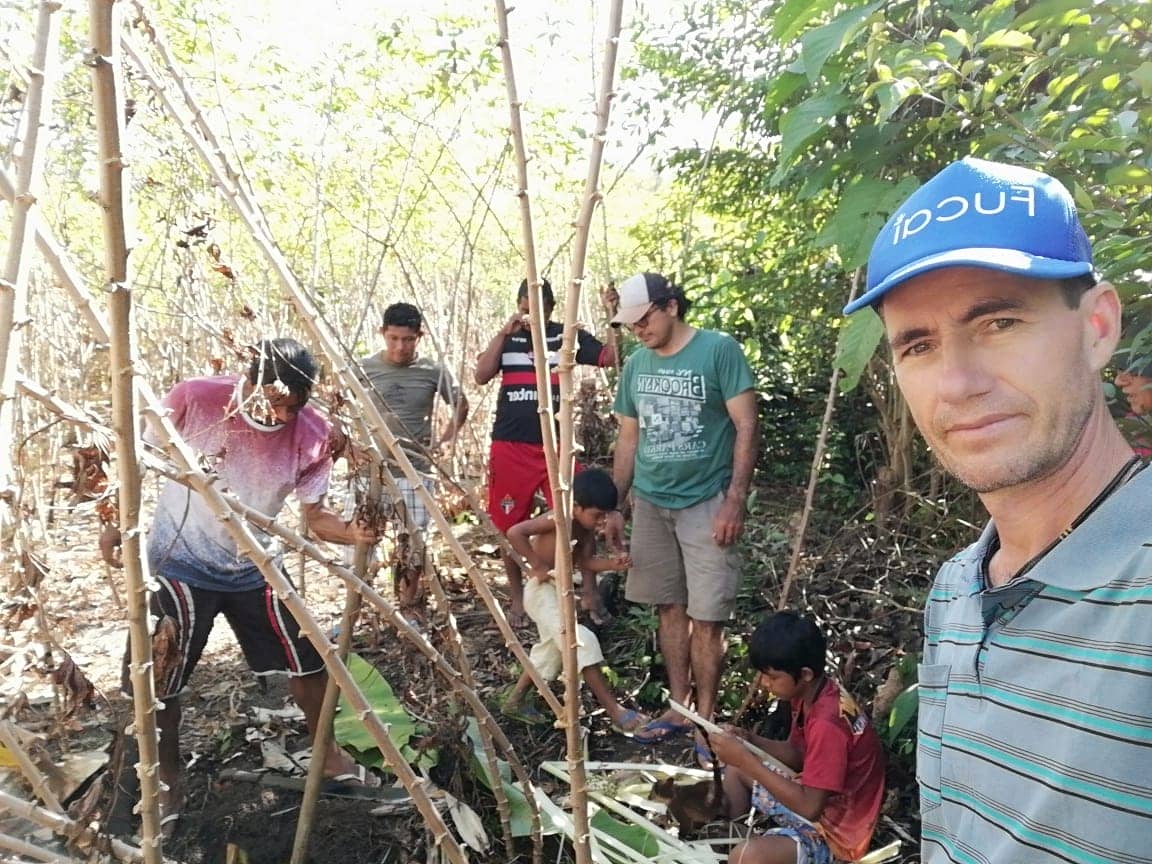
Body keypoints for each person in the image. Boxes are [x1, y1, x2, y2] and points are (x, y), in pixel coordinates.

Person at [844, 156, 1152, 862]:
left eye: (1000, 322)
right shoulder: (956, 589)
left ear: (1098, 326)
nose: (957, 383)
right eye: (917, 345)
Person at [128, 338, 380, 831]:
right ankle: (167, 778)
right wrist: (118, 526)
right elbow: (133, 457)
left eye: (294, 404)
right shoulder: (195, 399)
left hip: (254, 565)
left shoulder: (312, 434)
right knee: (161, 676)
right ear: (249, 382)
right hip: (179, 560)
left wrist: (352, 534)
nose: (283, 414)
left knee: (311, 658)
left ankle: (327, 756)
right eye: (274, 400)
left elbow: (314, 518)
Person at [604, 272, 758, 747]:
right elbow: (629, 438)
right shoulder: (635, 365)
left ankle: (705, 719)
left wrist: (734, 499)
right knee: (669, 609)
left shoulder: (718, 350)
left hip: (707, 500)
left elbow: (747, 425)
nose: (638, 331)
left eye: (644, 319)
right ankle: (678, 706)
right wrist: (616, 504)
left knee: (708, 615)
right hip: (652, 502)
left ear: (670, 307)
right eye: (630, 325)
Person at [474, 277, 617, 628]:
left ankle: (590, 592)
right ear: (519, 304)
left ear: (552, 309)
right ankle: (519, 598)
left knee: (580, 510)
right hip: (510, 445)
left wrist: (613, 316)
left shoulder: (565, 336)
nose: (532, 316)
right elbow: (480, 375)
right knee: (509, 521)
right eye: (526, 308)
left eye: (540, 309)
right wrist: (503, 332)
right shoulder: (508, 338)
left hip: (557, 444)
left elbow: (609, 357)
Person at [711, 612, 885, 864]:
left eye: (772, 677)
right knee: (737, 769)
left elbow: (810, 807)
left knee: (747, 858)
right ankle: (725, 838)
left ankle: (744, 849)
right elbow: (798, 755)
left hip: (837, 834)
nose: (763, 683)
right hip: (820, 803)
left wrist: (748, 760)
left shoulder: (828, 724)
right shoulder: (813, 692)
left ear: (804, 674)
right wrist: (749, 740)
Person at [497, 469, 648, 734]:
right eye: (597, 515)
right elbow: (515, 532)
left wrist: (613, 564)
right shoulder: (559, 518)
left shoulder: (586, 531)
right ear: (576, 506)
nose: (602, 521)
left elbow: (586, 563)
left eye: (606, 515)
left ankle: (515, 700)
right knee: (579, 640)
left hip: (559, 592)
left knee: (553, 649)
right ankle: (616, 711)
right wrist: (535, 565)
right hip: (541, 591)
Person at [360, 302, 469, 604]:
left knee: (411, 548)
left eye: (407, 339)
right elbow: (341, 409)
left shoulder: (432, 371)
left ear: (419, 337)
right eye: (393, 338)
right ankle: (361, 613)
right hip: (371, 471)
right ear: (382, 333)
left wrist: (447, 440)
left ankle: (409, 610)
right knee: (361, 544)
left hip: (415, 473)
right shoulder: (362, 369)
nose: (399, 347)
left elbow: (461, 403)